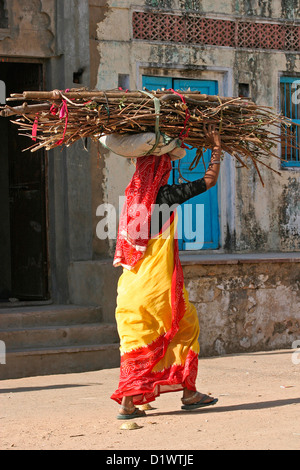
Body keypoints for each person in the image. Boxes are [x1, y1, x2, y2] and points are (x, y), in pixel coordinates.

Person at [111, 124, 222, 419]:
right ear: (160, 170)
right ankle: (188, 393)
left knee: (137, 340)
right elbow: (208, 181)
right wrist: (217, 148)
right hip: (157, 288)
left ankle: (130, 402)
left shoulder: (131, 201)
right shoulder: (165, 196)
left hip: (130, 287)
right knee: (185, 327)